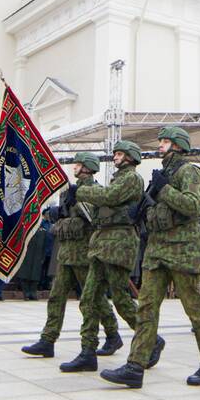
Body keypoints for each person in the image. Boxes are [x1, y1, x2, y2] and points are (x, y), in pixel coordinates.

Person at [101, 126, 200, 388]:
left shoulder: (190, 172)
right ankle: (135, 366)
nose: (161, 145)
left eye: (165, 141)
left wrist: (164, 189)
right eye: (161, 141)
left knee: (195, 308)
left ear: (178, 145)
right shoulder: (162, 174)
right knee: (146, 308)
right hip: (156, 250)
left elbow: (191, 205)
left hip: (182, 249)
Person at [23, 150, 123, 370]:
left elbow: (93, 220)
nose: (74, 167)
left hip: (84, 255)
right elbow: (65, 222)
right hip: (67, 254)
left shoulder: (93, 191)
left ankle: (113, 334)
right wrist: (60, 213)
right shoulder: (70, 191)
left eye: (77, 164)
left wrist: (75, 205)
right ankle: (48, 340)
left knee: (93, 300)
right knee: (56, 297)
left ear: (86, 167)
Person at [58, 143, 142, 370]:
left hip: (119, 243)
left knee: (122, 300)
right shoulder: (118, 178)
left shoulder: (131, 179)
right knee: (89, 298)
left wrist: (81, 192)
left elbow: (109, 197)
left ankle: (149, 339)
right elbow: (98, 212)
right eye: (115, 153)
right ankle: (87, 352)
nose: (115, 157)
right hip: (102, 242)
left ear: (131, 157)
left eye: (120, 154)